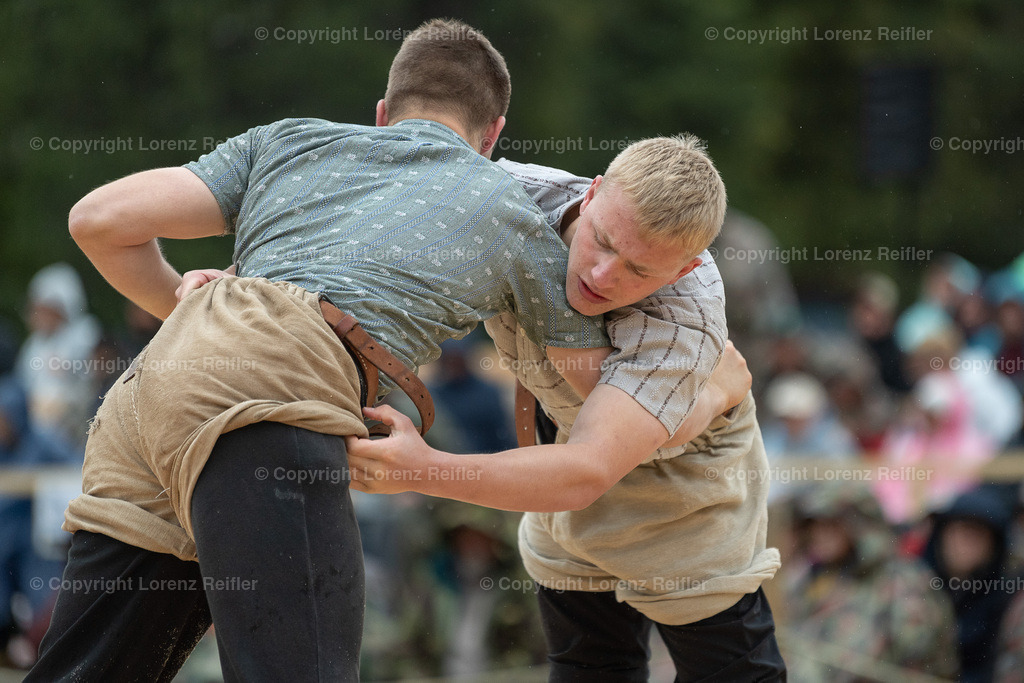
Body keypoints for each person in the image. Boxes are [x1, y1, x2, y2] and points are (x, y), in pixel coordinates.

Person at [27, 19, 622, 682]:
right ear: (494, 134)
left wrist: (188, 313)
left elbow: (98, 221)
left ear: (381, 115)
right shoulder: (510, 209)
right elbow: (592, 392)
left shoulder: (286, 140)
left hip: (147, 395)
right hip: (274, 391)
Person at [346, 141, 786, 680]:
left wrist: (421, 469)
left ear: (682, 270)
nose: (603, 276)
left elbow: (587, 471)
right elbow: (364, 197)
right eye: (601, 241)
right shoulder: (511, 193)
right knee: (588, 670)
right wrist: (254, 280)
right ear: (593, 190)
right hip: (567, 485)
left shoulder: (685, 319)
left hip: (685, 497)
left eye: (639, 271)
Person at [784, 483, 958, 682]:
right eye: (814, 525)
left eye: (832, 525)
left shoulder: (903, 581)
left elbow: (919, 657)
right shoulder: (808, 579)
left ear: (860, 527)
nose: (819, 534)